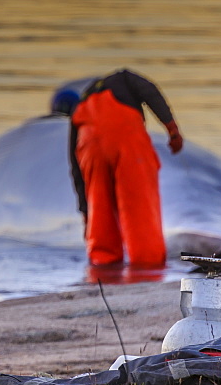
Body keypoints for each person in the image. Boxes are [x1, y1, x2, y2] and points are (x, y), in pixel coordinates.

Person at [66, 69, 184, 268]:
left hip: (89, 145)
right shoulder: (122, 79)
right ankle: (148, 267)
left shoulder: (81, 105)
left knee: (100, 208)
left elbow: (76, 167)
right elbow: (149, 90)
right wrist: (171, 128)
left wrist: (86, 211)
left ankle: (103, 267)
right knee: (139, 205)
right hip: (125, 137)